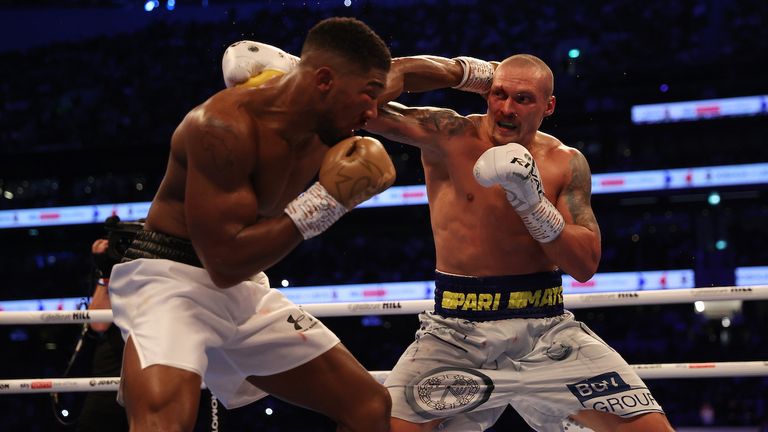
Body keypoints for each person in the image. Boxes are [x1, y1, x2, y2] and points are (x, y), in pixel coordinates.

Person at [222, 44, 676, 431]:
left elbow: (584, 265)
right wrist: (464, 71)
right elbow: (373, 98)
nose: (506, 108)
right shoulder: (448, 134)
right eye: (498, 94)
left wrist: (532, 204)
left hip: (547, 332)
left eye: (522, 99)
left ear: (548, 106)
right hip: (454, 333)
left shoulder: (566, 162)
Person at [108, 17, 396, 432]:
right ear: (325, 80)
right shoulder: (222, 128)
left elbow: (411, 72)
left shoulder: (333, 110)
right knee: (164, 424)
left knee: (368, 406)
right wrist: (327, 202)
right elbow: (224, 262)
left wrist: (478, 75)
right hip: (171, 281)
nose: (373, 112)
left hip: (244, 289)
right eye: (368, 96)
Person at [76, 237, 128, 432]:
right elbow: (98, 323)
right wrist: (106, 272)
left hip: (149, 359)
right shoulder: (110, 273)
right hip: (112, 365)